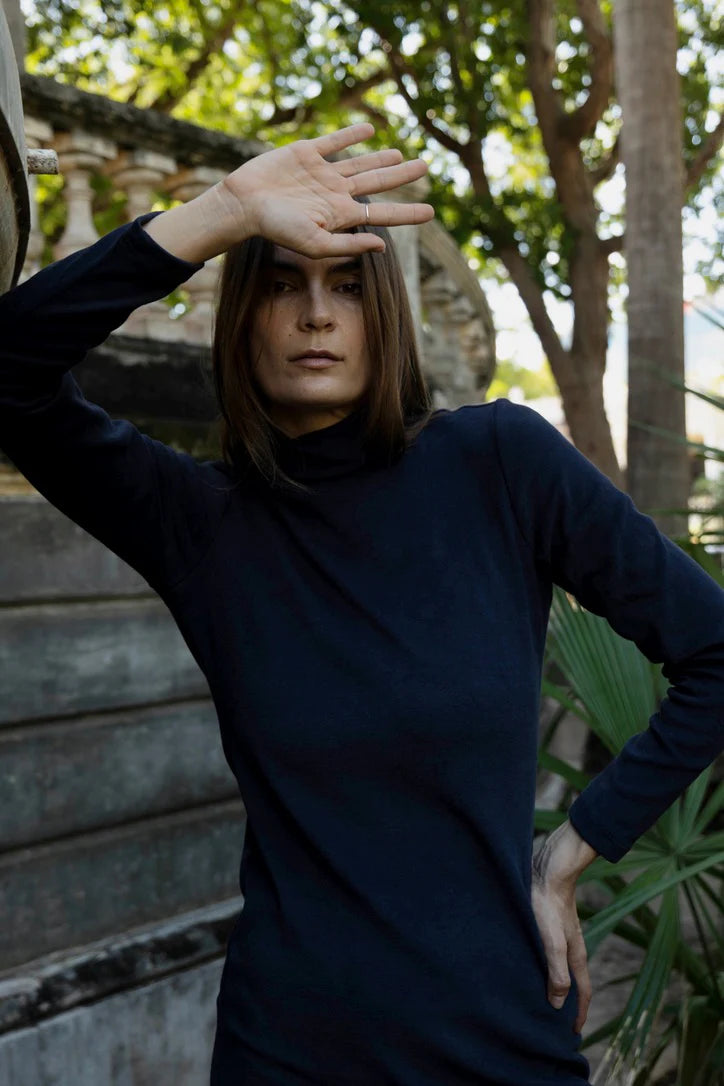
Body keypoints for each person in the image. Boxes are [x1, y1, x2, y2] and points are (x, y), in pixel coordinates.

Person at [1, 122, 722, 1086]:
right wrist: (219, 215)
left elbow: (713, 653)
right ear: (241, 316)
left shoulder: (500, 464)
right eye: (281, 284)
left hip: (503, 1041)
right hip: (288, 1050)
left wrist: (574, 848)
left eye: (346, 285)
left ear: (385, 315)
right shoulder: (196, 519)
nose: (315, 316)